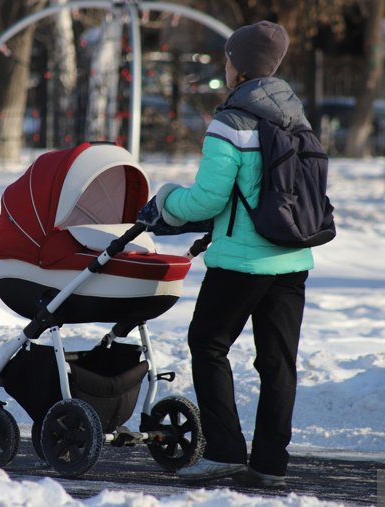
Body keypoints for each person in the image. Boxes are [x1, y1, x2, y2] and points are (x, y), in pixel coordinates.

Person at [138, 21, 313, 487]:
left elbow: (208, 201)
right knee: (278, 364)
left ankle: (225, 451)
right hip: (292, 259)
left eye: (229, 56)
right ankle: (271, 463)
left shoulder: (232, 121)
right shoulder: (295, 116)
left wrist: (166, 201)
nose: (225, 62)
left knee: (208, 345)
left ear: (240, 65)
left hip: (242, 261)